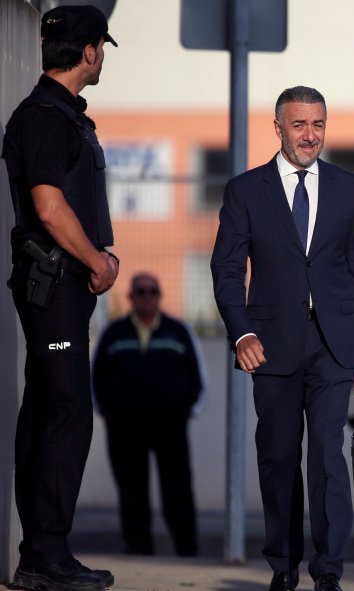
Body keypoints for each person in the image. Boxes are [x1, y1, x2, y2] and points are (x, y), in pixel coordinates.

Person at [211, 86, 354, 591]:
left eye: (319, 125)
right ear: (279, 127)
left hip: (334, 346)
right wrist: (240, 331)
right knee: (280, 457)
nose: (311, 135)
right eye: (300, 125)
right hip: (271, 344)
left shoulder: (349, 187)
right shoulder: (245, 189)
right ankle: (283, 566)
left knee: (328, 456)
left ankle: (327, 571)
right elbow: (225, 269)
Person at [1, 6, 119, 591]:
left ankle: (42, 553)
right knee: (63, 416)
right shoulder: (46, 117)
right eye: (102, 47)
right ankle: (45, 557)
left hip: (61, 288)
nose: (103, 58)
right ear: (90, 51)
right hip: (55, 286)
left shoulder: (59, 115)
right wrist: (97, 260)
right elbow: (48, 206)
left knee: (51, 412)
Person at [92, 273, 204, 557]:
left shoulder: (178, 331)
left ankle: (186, 548)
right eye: (140, 291)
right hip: (124, 426)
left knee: (177, 488)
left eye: (152, 291)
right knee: (131, 489)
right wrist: (106, 410)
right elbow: (97, 376)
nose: (146, 296)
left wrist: (186, 410)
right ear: (130, 296)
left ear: (159, 295)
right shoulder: (114, 333)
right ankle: (139, 547)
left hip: (170, 424)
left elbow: (197, 376)